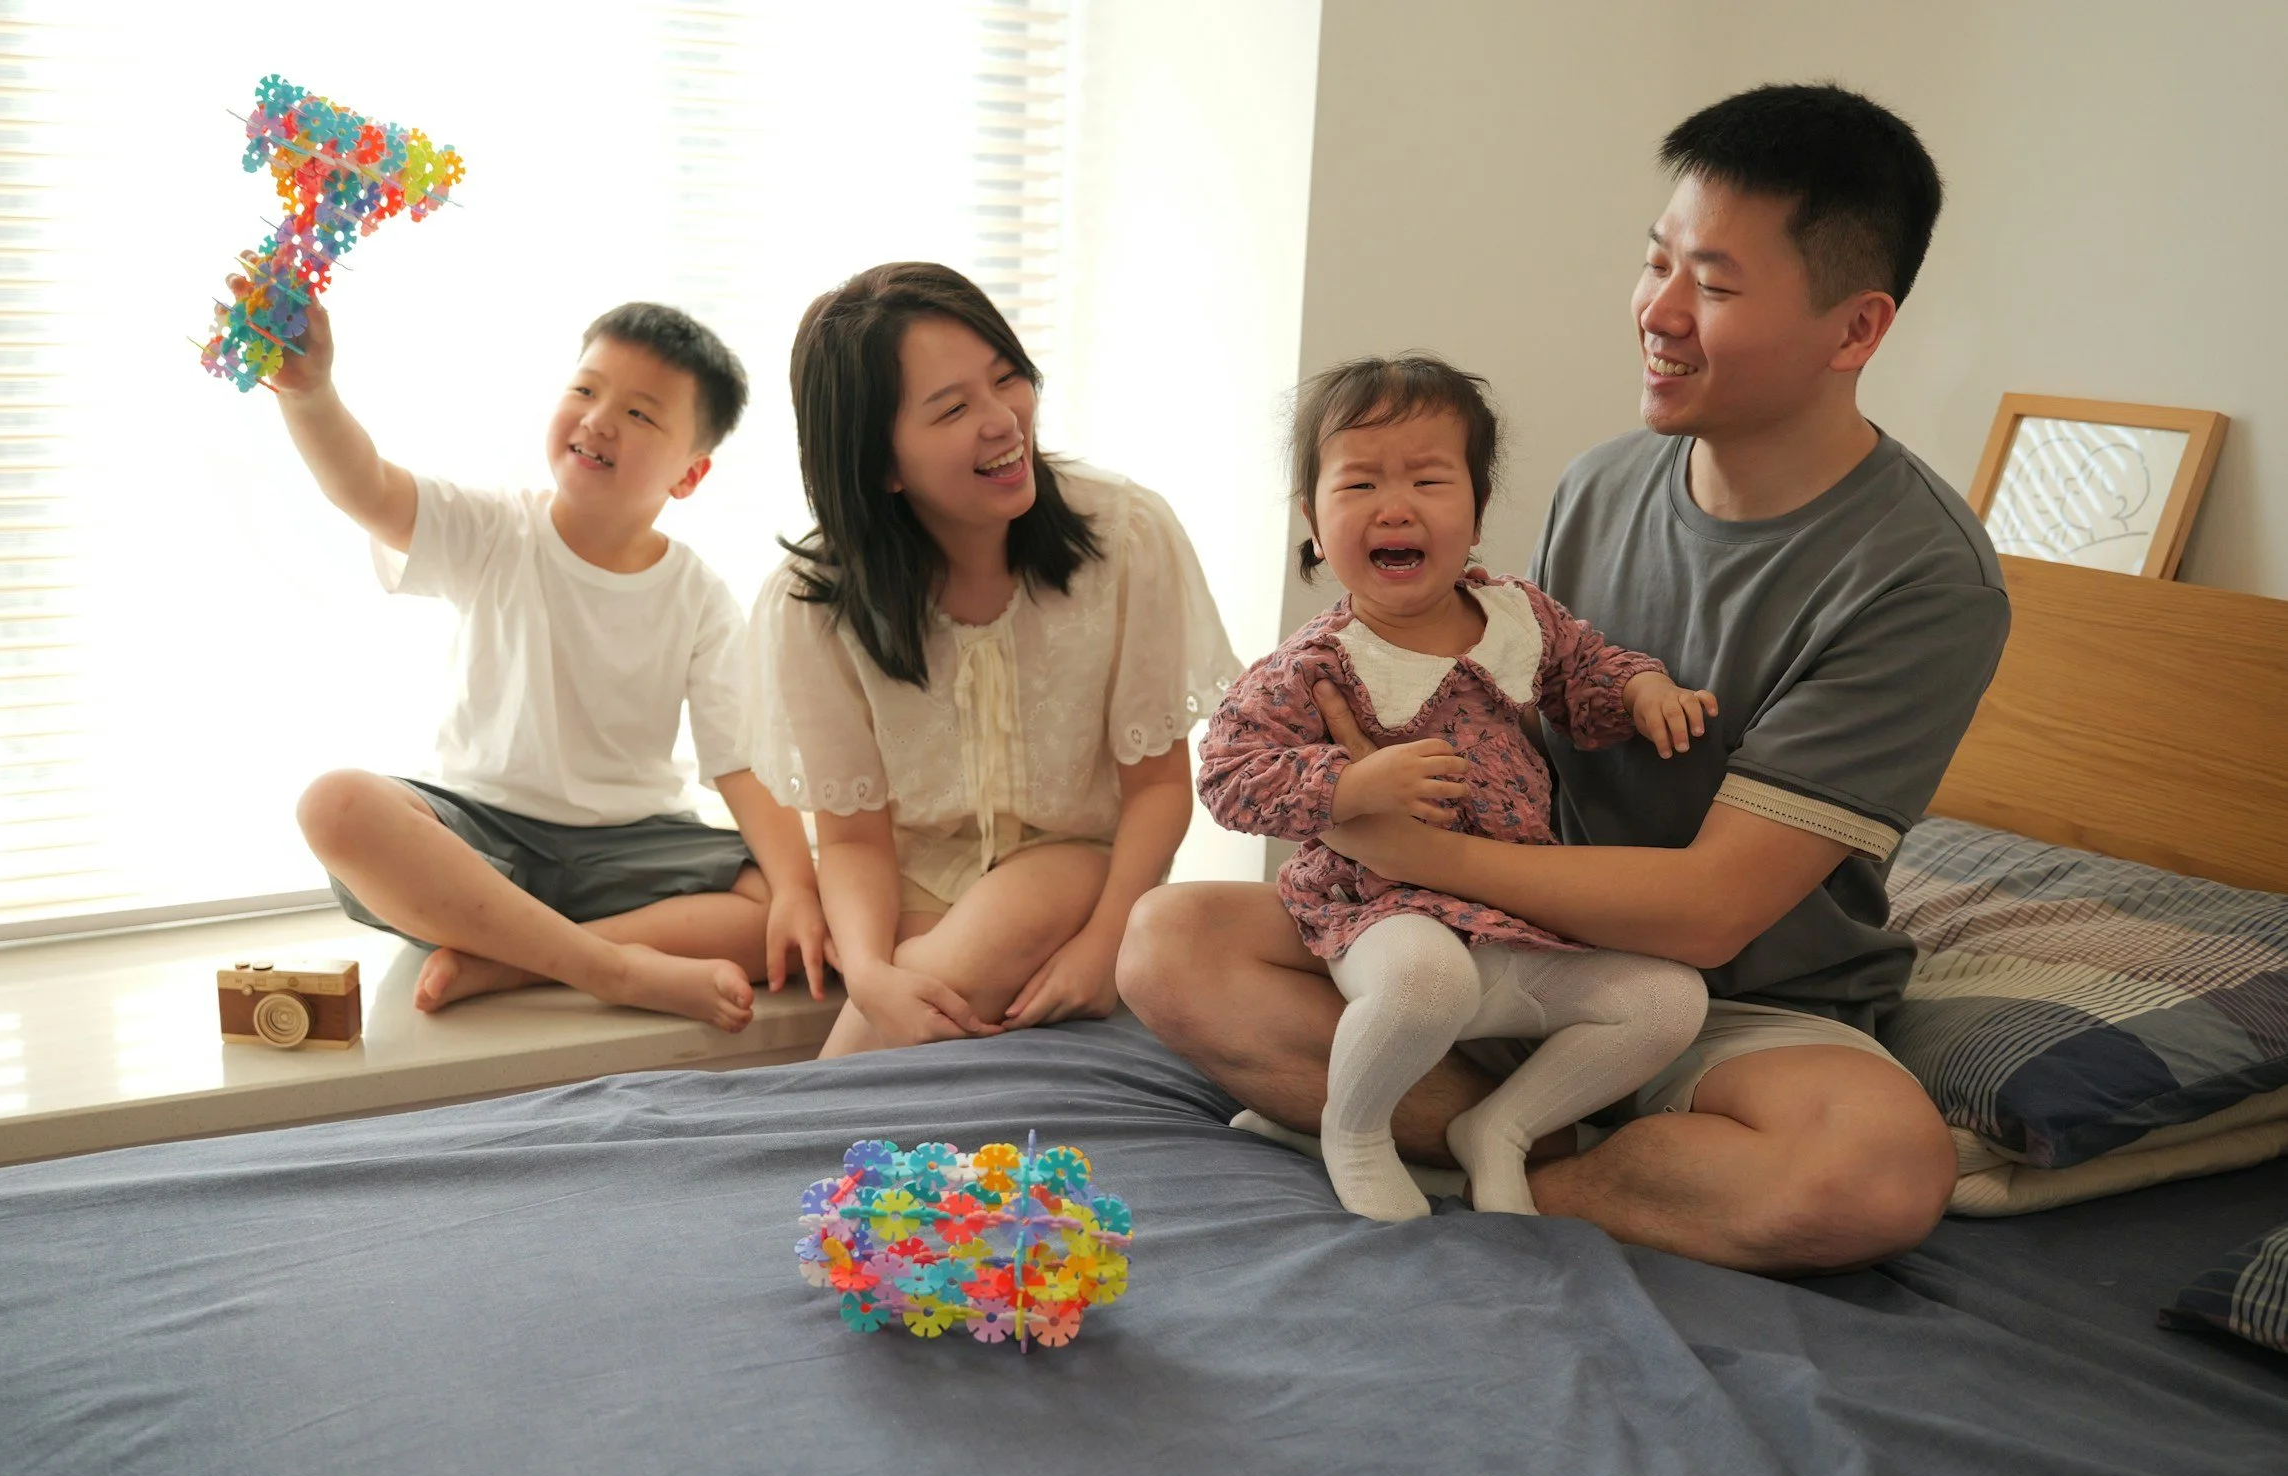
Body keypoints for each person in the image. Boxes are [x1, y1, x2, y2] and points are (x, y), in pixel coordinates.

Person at [1121, 84, 2010, 1273]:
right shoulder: (1607, 483)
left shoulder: (1919, 577)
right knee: (1169, 942)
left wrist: (1423, 853)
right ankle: (1513, 1146)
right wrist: (1358, 786)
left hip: (1737, 1001)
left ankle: (1485, 1150)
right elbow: (1502, 721)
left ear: (1852, 331)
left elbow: (1710, 909)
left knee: (1876, 1172)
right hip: (1503, 944)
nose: (1661, 311)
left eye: (1716, 285)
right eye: (1657, 264)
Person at [1198, 353, 1713, 1221]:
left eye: (1429, 480)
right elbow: (1226, 773)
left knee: (1669, 1001)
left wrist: (1642, 689)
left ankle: (1500, 1129)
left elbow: (1588, 668)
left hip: (1515, 920)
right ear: (1314, 522)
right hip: (1382, 912)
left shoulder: (1517, 614)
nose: (1394, 506)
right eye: (1359, 483)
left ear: (1474, 513)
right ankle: (1352, 1127)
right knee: (1428, 983)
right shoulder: (1318, 661)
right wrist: (1352, 780)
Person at [269, 291, 829, 1032]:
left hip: (632, 850)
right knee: (335, 805)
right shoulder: (499, 530)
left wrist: (795, 886)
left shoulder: (698, 595)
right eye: (586, 390)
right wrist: (311, 396)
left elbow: (739, 761)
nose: (599, 419)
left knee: (780, 903)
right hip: (482, 840)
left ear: (688, 475)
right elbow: (368, 489)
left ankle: (512, 959)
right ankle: (613, 968)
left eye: (641, 413)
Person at [747, 262, 1239, 1055]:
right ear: (882, 464)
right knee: (929, 1036)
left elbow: (1155, 787)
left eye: (1008, 378)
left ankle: (816, 1130)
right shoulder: (813, 603)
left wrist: (1106, 945)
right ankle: (842, 1148)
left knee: (1008, 917)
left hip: (1082, 878)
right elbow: (852, 840)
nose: (1003, 421)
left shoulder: (1127, 534)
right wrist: (872, 973)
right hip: (911, 899)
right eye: (951, 409)